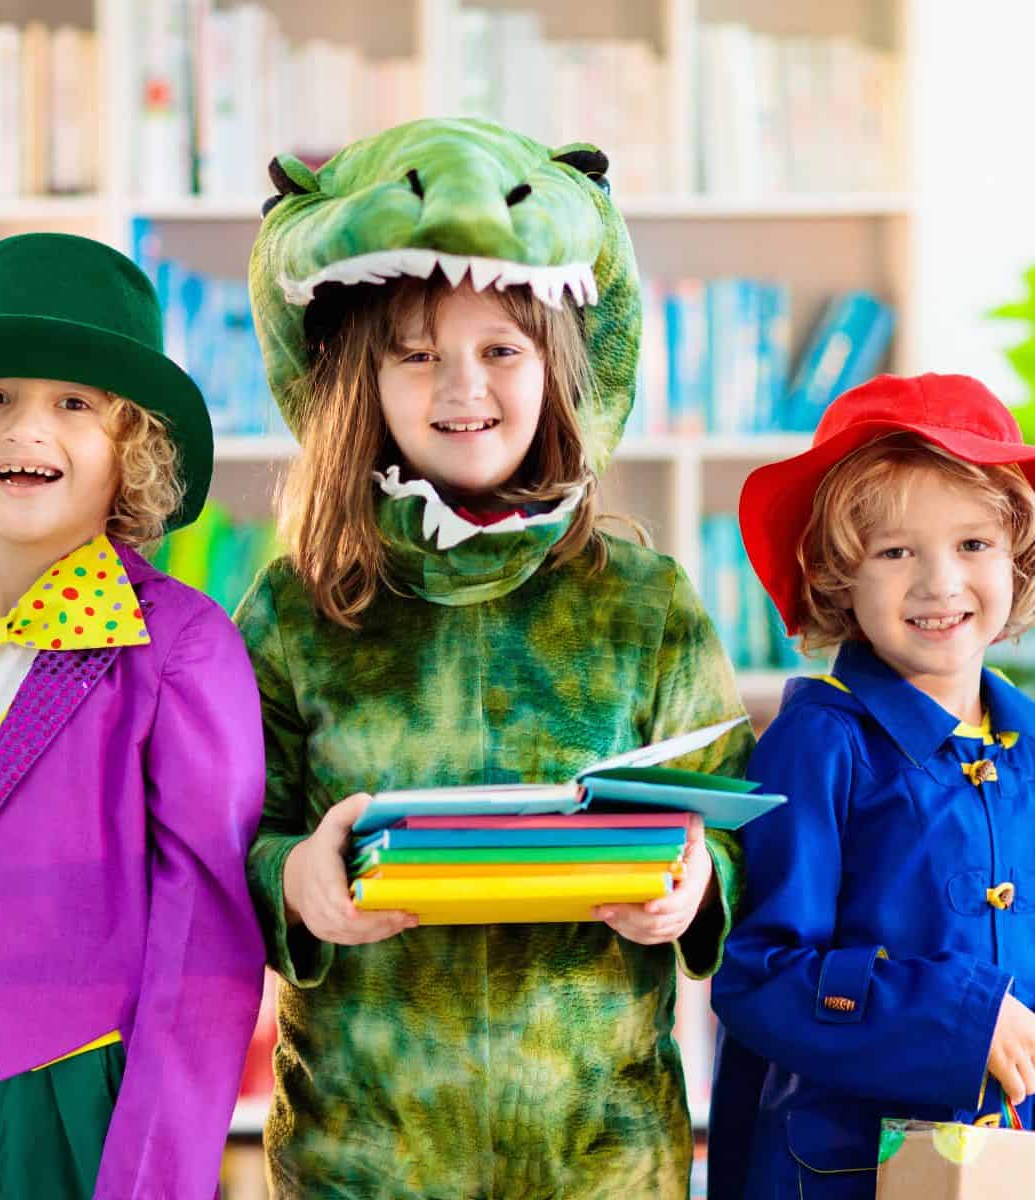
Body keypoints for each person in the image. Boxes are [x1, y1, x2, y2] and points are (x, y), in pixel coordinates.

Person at [237, 117, 752, 1198]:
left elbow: (734, 815)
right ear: (358, 383)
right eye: (415, 354)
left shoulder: (645, 602)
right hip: (361, 1158)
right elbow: (227, 833)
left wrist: (696, 882)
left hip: (602, 1156)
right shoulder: (293, 608)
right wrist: (296, 879)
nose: (460, 387)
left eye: (499, 350)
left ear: (556, 366)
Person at [0, 232, 266, 1199]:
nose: (28, 430)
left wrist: (150, 1177)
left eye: (74, 404)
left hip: (92, 1096)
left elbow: (205, 951)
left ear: (136, 451)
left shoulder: (182, 651)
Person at [711, 372, 1035, 1199]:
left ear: (1019, 557)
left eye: (973, 545)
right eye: (895, 551)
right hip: (848, 1171)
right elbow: (760, 977)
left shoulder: (1028, 745)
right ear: (837, 577)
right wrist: (958, 1018)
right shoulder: (817, 744)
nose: (940, 583)